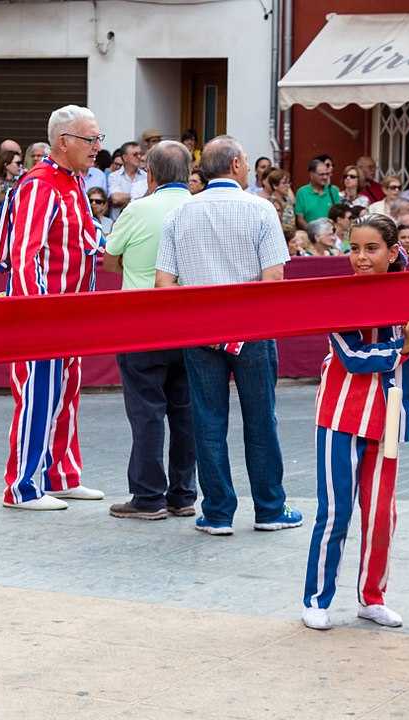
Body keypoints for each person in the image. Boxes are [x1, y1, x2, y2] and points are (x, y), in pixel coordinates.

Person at [301, 213, 409, 631]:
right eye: (354, 248)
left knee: (381, 514)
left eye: (371, 249)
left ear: (392, 252)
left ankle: (373, 597)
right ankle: (317, 598)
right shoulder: (340, 294)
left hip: (389, 416)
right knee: (334, 513)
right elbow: (352, 357)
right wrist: (404, 345)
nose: (360, 258)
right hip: (341, 414)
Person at [155, 135, 302, 535]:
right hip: (252, 328)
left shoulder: (180, 214)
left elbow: (164, 284)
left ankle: (218, 512)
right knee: (261, 419)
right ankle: (270, 507)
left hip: (200, 329)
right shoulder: (260, 209)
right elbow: (274, 278)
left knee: (207, 420)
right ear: (238, 164)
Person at [0, 105, 106, 511]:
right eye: (90, 139)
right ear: (64, 142)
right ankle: (22, 486)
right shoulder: (41, 184)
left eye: (98, 139)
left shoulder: (70, 182)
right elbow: (26, 255)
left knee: (65, 394)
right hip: (45, 315)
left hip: (71, 313)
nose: (97, 147)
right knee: (38, 395)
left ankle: (61, 475)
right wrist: (38, 313)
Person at [102, 141, 197, 520]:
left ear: (151, 175)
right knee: (186, 411)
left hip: (142, 320)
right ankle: (184, 493)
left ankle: (148, 495)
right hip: (191, 321)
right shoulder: (200, 207)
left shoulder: (138, 209)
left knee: (146, 412)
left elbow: (110, 261)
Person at [294, 157, 341, 226]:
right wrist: (313, 231)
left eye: (327, 174)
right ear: (311, 174)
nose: (325, 177)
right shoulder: (302, 192)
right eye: (321, 174)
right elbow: (300, 219)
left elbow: (339, 216)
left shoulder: (333, 191)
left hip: (331, 233)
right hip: (311, 234)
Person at [108, 141, 146, 217]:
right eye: (135, 154)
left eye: (140, 154)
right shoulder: (114, 176)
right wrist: (140, 195)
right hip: (119, 222)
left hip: (140, 221)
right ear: (125, 157)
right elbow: (116, 199)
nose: (139, 157)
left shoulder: (146, 176)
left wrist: (125, 197)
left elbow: (150, 198)